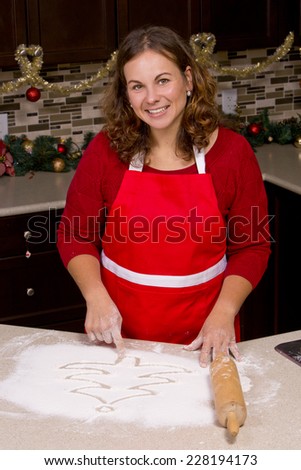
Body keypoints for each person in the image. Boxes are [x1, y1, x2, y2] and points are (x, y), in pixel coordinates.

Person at [57, 25, 271, 367]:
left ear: (188, 80)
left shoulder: (232, 154)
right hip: (120, 337)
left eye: (163, 80)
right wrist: (95, 297)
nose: (151, 98)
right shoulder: (106, 151)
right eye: (137, 86)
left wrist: (225, 313)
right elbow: (74, 234)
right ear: (126, 94)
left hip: (205, 336)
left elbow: (252, 246)